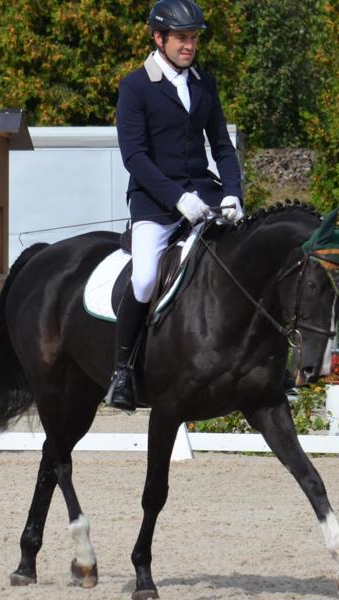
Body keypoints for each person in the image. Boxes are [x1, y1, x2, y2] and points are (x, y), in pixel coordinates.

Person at [106, 0, 244, 411]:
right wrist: (176, 198)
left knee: (249, 254)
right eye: (182, 38)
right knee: (146, 278)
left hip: (205, 193)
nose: (189, 45)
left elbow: (221, 145)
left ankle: (258, 360)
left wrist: (233, 191)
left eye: (194, 38)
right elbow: (135, 157)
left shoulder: (204, 84)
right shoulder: (136, 86)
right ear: (158, 37)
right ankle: (122, 371)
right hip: (155, 203)